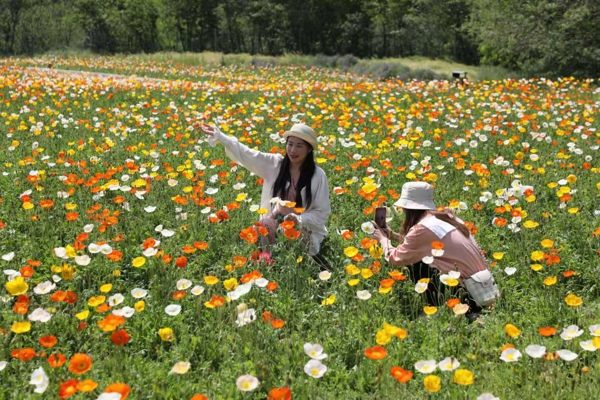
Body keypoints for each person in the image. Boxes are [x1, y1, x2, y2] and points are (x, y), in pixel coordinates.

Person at [196, 121, 331, 257]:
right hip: (276, 217)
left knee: (291, 236)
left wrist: (299, 219)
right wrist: (221, 137)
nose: (292, 150)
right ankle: (270, 259)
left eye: (299, 146)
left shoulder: (318, 176)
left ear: (309, 149)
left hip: (303, 225)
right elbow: (249, 154)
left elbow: (321, 212)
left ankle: (292, 262)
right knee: (260, 228)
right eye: (290, 144)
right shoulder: (275, 164)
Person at [371, 182, 499, 318]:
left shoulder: (421, 229)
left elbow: (396, 258)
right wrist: (392, 235)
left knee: (417, 264)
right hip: (484, 286)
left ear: (407, 208)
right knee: (421, 256)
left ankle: (442, 310)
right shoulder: (446, 217)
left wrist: (382, 239)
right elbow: (423, 244)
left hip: (467, 293)